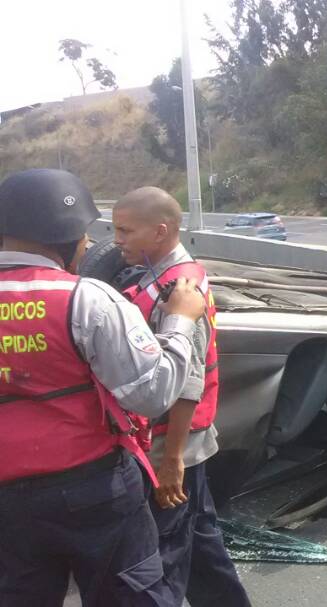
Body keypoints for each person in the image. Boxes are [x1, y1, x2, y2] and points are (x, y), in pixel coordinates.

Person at [0, 169, 205, 605]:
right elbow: (151, 394)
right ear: (68, 237)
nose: (91, 247)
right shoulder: (87, 299)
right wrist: (181, 320)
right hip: (94, 491)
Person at [112, 187, 250, 606]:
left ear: (160, 231)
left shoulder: (181, 288)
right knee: (201, 542)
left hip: (172, 443)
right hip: (178, 439)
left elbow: (187, 379)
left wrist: (171, 459)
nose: (115, 239)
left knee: (164, 557)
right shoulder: (157, 276)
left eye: (124, 230)